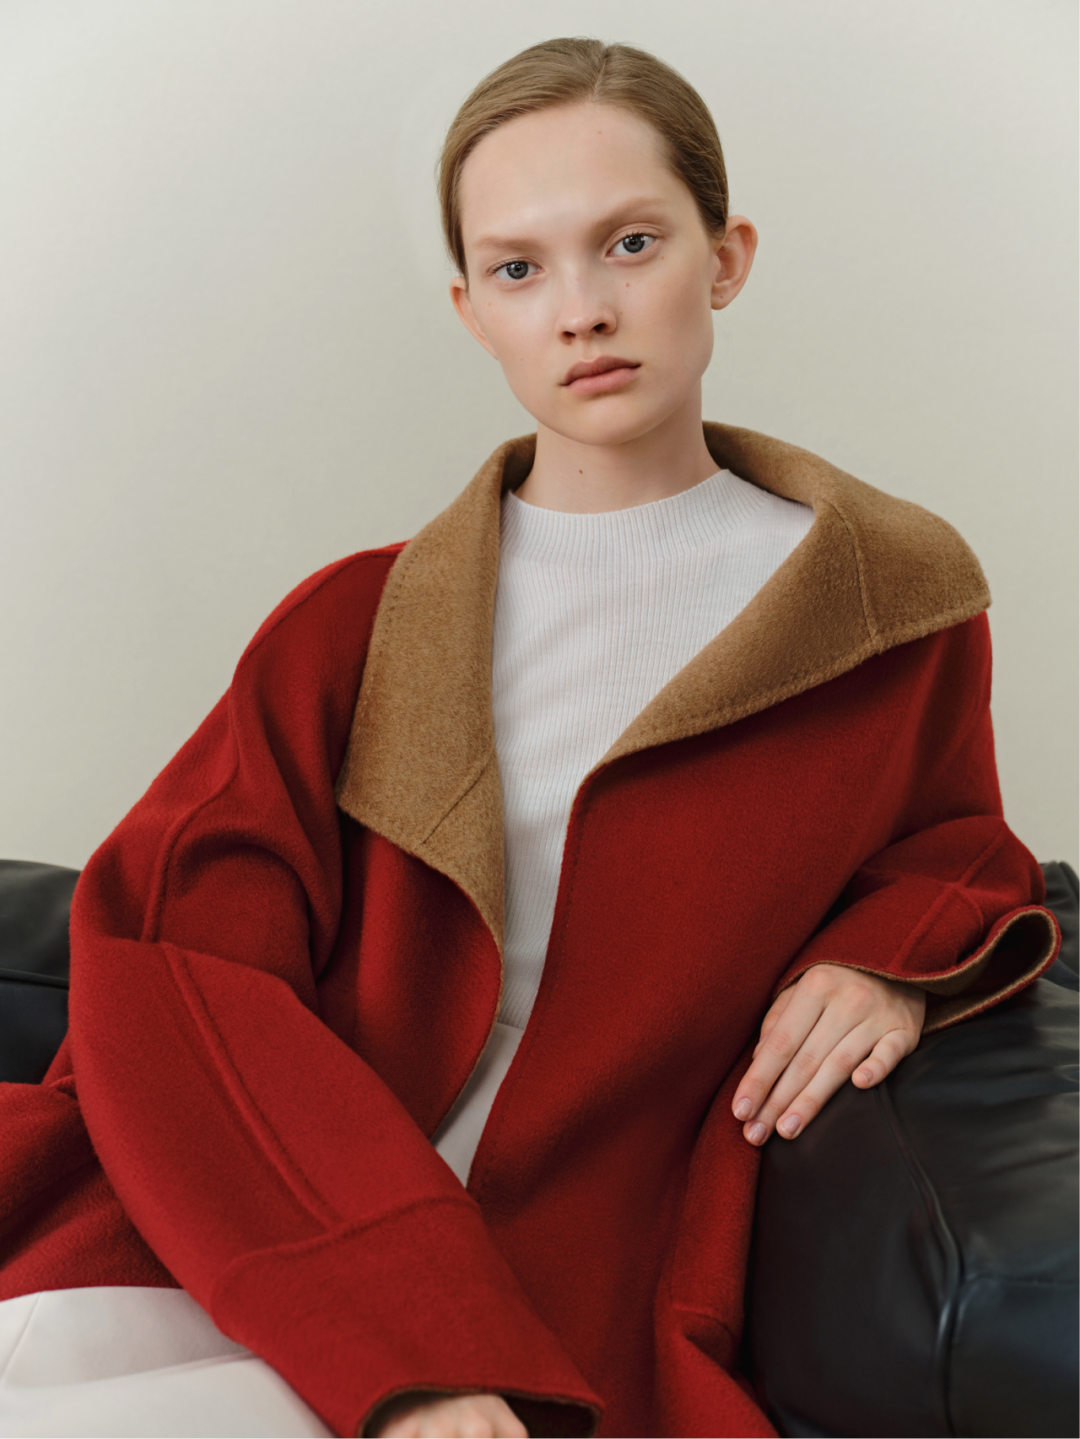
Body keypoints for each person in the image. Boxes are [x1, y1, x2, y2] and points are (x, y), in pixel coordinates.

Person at [0, 36, 1059, 1439]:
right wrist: (405, 1343)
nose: (582, 310)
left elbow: (957, 841)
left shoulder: (884, 608)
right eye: (518, 268)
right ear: (471, 311)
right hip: (258, 1240)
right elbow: (172, 959)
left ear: (726, 256)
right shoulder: (354, 627)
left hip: (578, 1278)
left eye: (631, 243)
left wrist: (891, 965)